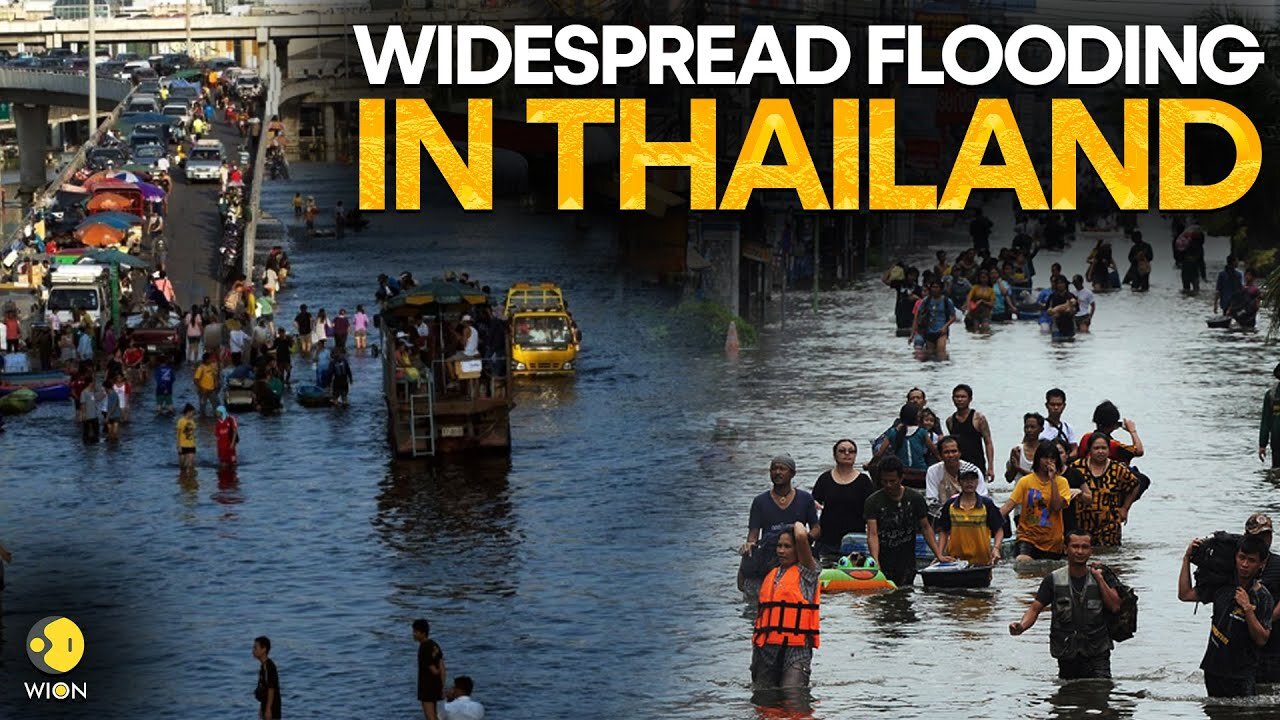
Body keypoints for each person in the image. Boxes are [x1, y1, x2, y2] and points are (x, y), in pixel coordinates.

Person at [1009, 528, 1122, 678]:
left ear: (1091, 551)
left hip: (1097, 650)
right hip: (1066, 652)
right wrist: (1021, 626)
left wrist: (1100, 579)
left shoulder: (1103, 576)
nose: (1080, 551)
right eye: (1075, 546)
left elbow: (1115, 606)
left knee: (1100, 689)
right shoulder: (1053, 580)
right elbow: (1035, 609)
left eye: (1085, 547)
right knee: (1068, 694)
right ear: (1065, 549)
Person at [1178, 533, 1274, 697]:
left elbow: (1262, 638)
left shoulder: (1263, 597)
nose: (1244, 564)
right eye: (1241, 558)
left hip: (1242, 674)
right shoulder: (1221, 586)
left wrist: (1248, 609)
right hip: (1213, 668)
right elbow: (1185, 594)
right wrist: (1186, 558)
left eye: (1251, 560)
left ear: (1261, 564)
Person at [738, 454, 821, 597]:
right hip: (769, 554)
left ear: (792, 473)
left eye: (782, 469)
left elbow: (817, 528)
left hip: (798, 551)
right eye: (774, 469)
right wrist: (749, 546)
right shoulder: (760, 501)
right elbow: (753, 534)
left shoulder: (805, 498)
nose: (777, 472)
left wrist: (805, 538)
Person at [751, 521, 820, 689]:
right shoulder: (772, 573)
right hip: (767, 649)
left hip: (796, 650)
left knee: (793, 697)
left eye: (787, 546)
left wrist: (796, 522)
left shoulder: (808, 572)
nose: (781, 550)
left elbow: (802, 536)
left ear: (798, 550)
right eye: (779, 546)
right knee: (764, 700)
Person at [864, 457, 951, 587]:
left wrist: (938, 554)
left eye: (892, 481)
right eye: (884, 481)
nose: (888, 485)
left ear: (901, 478)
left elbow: (926, 528)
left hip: (907, 561)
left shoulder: (915, 498)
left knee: (906, 596)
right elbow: (872, 533)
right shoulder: (873, 501)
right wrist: (875, 562)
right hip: (884, 559)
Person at [1001, 441, 1071, 561]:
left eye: (1052, 458)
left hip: (1052, 540)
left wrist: (1053, 479)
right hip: (1027, 537)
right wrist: (987, 520)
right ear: (1038, 458)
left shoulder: (1062, 482)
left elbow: (1056, 506)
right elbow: (1009, 505)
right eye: (1045, 457)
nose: (1048, 461)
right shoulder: (1025, 481)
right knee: (1022, 561)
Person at [1070, 433, 1140, 547]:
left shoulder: (1117, 469)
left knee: (1110, 559)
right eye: (1096, 448)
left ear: (1109, 449)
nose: (1100, 451)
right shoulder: (1077, 467)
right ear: (1090, 449)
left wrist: (1125, 508)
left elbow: (1134, 485)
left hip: (1110, 526)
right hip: (1082, 524)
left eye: (1104, 448)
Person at [811, 439, 875, 558]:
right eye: (842, 451)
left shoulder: (864, 481)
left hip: (855, 541)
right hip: (827, 541)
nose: (847, 454)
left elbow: (872, 513)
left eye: (851, 451)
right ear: (835, 455)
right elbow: (813, 504)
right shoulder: (825, 479)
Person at [936, 470, 1004, 566]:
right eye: (965, 479)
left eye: (972, 479)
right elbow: (943, 531)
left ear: (977, 482)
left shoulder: (987, 504)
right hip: (955, 561)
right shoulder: (950, 505)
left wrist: (996, 549)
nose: (969, 483)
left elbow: (998, 530)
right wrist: (939, 554)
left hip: (982, 561)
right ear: (959, 482)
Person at [924, 436, 989, 521]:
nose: (951, 455)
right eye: (946, 452)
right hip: (943, 515)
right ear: (940, 455)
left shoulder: (973, 470)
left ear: (960, 453)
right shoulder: (933, 471)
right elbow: (931, 501)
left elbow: (983, 497)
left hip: (972, 516)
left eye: (954, 451)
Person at [945, 384, 995, 479]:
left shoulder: (978, 419)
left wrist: (990, 467)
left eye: (963, 397)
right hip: (958, 463)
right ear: (952, 399)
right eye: (957, 397)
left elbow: (988, 442)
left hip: (976, 462)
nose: (960, 399)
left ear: (970, 399)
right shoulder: (950, 421)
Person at [911, 280, 956, 358]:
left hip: (941, 332)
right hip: (929, 331)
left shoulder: (947, 301)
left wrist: (945, 327)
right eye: (933, 287)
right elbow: (917, 315)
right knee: (930, 355)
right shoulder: (926, 300)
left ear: (941, 289)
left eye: (936, 287)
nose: (934, 289)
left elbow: (953, 317)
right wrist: (913, 334)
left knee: (941, 354)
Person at [414, 618, 446, 720]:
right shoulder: (435, 645)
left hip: (427, 686)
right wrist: (441, 685)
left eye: (416, 632)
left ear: (423, 633)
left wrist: (434, 670)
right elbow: (443, 668)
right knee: (435, 714)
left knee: (430, 716)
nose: (413, 634)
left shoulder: (424, 647)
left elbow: (434, 670)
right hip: (437, 685)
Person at [1006, 413, 1045, 483]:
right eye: (1026, 427)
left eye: (1033, 427)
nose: (1029, 430)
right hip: (1020, 491)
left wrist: (1019, 469)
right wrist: (1013, 467)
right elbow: (1009, 478)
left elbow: (1041, 477)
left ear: (1041, 429)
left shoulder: (1044, 450)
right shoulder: (1018, 450)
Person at [252, 636, 281, 720]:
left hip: (272, 707)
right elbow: (264, 689)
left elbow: (271, 688)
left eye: (255, 648)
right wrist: (262, 708)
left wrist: (268, 710)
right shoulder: (263, 666)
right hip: (266, 704)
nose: (253, 650)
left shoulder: (268, 666)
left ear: (264, 649)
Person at [1040, 388, 1077, 452]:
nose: (1056, 407)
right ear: (1046, 405)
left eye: (1059, 404)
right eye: (1052, 404)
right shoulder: (1039, 425)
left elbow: (1075, 450)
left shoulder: (1068, 428)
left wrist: (1064, 458)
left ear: (1064, 406)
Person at [1259, 364, 1280, 469]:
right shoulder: (1271, 395)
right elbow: (1265, 422)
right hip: (1277, 443)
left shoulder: (1271, 394)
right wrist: (1262, 445)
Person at [177, 403, 197, 472]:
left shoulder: (192, 421)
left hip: (191, 445)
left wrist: (194, 442)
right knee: (183, 464)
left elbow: (193, 433)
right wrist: (178, 445)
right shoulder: (181, 421)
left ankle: (191, 477)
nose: (193, 414)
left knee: (190, 462)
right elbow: (178, 434)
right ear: (188, 412)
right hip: (183, 445)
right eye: (192, 413)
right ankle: (183, 476)